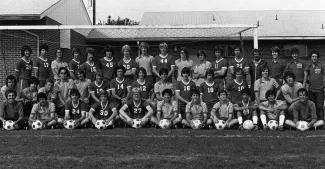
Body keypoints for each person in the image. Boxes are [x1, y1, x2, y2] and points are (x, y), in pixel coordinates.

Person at [303, 50, 325, 125]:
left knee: (319, 107)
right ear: (311, 57)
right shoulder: (308, 66)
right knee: (312, 106)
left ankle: (321, 122)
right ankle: (313, 121)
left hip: (320, 90)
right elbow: (305, 77)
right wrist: (303, 88)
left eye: (315, 56)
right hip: (311, 90)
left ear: (318, 57)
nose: (314, 58)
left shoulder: (322, 65)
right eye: (313, 56)